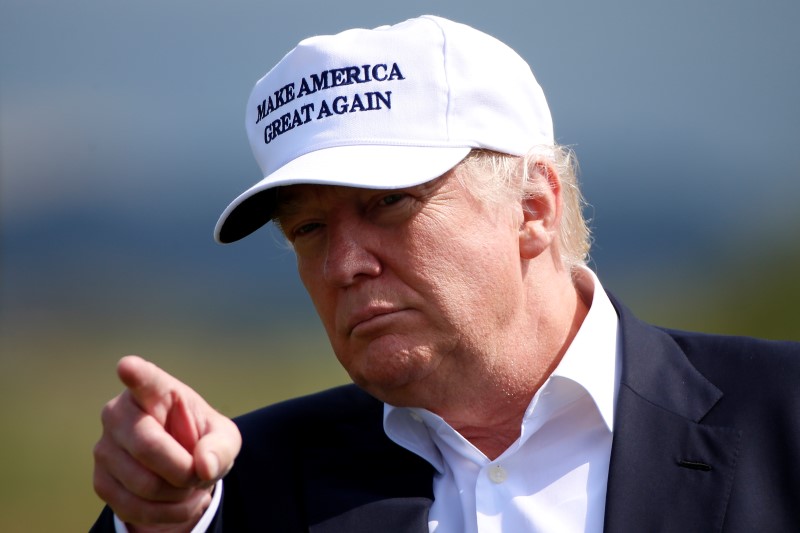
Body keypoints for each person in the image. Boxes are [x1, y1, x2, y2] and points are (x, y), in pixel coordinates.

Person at [90, 15, 800, 533]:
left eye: (390, 203)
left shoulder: (783, 418)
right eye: (308, 228)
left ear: (533, 206)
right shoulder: (233, 493)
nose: (343, 263)